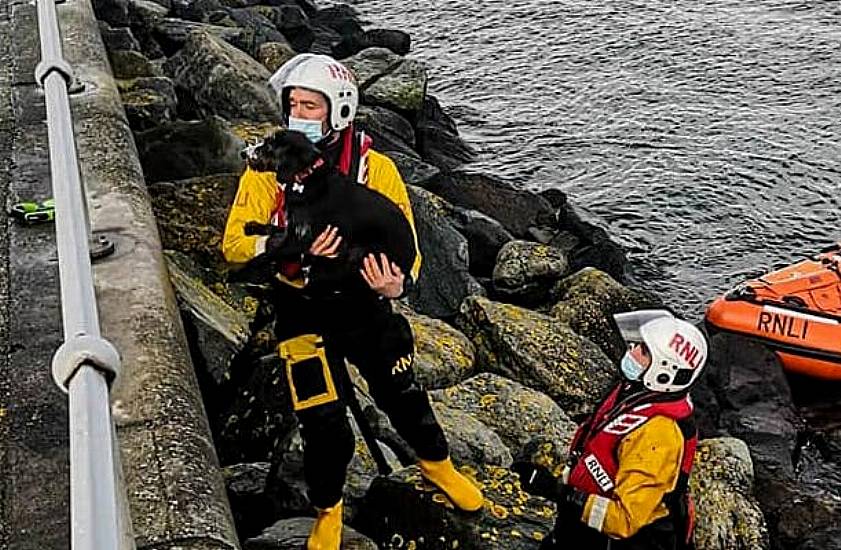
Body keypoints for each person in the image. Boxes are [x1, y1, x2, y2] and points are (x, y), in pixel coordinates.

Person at [222, 53, 483, 550]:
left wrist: (396, 286)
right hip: (300, 310)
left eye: (310, 105)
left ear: (337, 110)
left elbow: (408, 247)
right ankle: (328, 512)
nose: (299, 113)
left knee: (403, 395)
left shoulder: (374, 168)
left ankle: (438, 466)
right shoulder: (267, 171)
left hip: (364, 307)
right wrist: (287, 245)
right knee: (322, 424)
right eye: (293, 103)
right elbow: (234, 244)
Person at [513, 310, 708, 550]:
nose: (633, 351)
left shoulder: (658, 435)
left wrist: (558, 492)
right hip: (581, 527)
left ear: (665, 371)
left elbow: (623, 520)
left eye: (644, 350)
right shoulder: (634, 394)